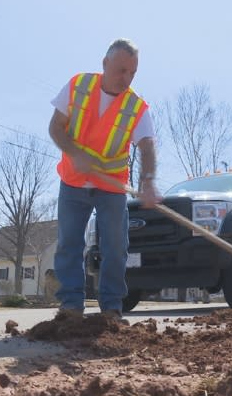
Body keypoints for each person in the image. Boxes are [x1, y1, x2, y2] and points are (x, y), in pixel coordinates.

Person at [48, 38, 159, 319]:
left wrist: (147, 182)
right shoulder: (78, 86)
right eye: (121, 70)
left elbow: (147, 146)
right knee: (69, 245)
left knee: (116, 248)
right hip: (73, 182)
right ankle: (71, 306)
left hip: (111, 187)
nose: (126, 78)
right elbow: (55, 127)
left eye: (132, 72)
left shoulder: (136, 107)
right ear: (105, 63)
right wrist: (74, 153)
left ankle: (111, 309)